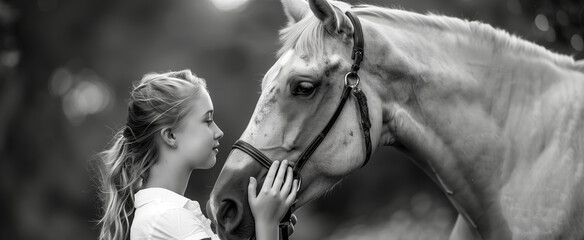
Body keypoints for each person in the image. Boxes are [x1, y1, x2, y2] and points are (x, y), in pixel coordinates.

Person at [97, 70, 298, 240]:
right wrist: (266, 223)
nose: (219, 131)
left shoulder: (170, 216)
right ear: (171, 135)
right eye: (207, 120)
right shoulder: (168, 219)